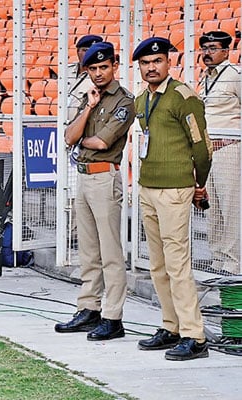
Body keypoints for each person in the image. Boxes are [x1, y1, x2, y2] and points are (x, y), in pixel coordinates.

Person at [132, 37, 212, 361]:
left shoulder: (183, 97)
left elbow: (202, 148)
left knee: (177, 264)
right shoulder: (141, 99)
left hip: (175, 190)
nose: (151, 67)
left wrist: (199, 184)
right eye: (145, 63)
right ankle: (171, 326)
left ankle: (195, 336)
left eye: (157, 61)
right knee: (158, 265)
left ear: (168, 63)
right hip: (148, 188)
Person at [56, 42, 135, 341]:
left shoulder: (124, 101)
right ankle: (89, 308)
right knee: (88, 251)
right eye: (93, 68)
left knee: (110, 252)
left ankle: (113, 317)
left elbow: (102, 142)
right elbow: (68, 136)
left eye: (104, 67)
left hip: (105, 177)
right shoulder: (90, 98)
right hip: (84, 177)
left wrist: (80, 139)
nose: (99, 73)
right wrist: (89, 107)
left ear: (114, 65)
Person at [197, 31, 241, 275]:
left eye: (213, 48)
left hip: (228, 149)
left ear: (226, 51)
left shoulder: (234, 76)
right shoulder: (205, 77)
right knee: (212, 205)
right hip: (208, 151)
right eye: (204, 48)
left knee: (230, 206)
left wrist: (233, 137)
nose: (207, 53)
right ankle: (217, 257)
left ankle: (234, 262)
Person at [67, 35, 103, 121]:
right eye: (85, 50)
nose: (88, 54)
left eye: (92, 51)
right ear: (77, 51)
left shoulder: (100, 76)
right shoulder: (66, 70)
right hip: (62, 121)